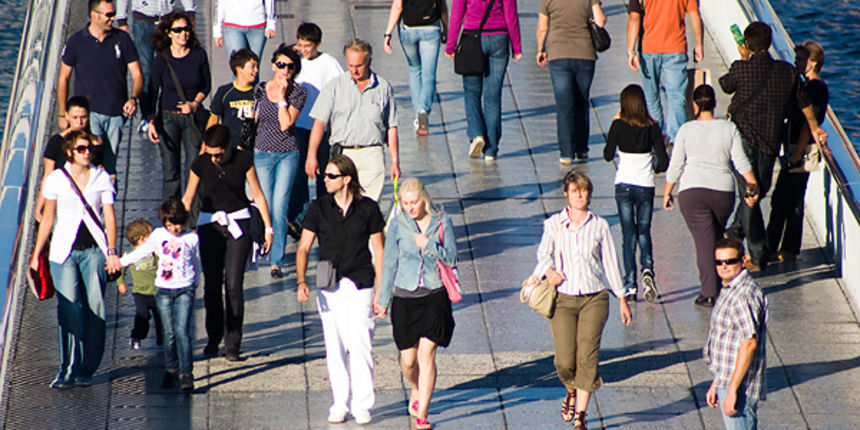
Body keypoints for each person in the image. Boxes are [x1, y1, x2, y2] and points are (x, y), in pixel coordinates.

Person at [719, 22, 827, 271]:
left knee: (751, 194)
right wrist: (814, 127)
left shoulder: (742, 69)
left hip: (741, 140)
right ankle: (748, 246)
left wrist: (743, 59)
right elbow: (805, 104)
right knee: (757, 192)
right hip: (769, 142)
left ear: (747, 44)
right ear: (769, 43)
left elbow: (726, 85)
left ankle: (739, 240)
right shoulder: (787, 72)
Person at [532, 170, 632, 429]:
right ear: (566, 194)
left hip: (594, 298)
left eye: (584, 190)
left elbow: (611, 263)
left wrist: (621, 298)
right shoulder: (553, 223)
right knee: (564, 361)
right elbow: (543, 254)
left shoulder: (599, 225)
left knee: (587, 356)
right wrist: (549, 271)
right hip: (563, 299)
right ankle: (571, 389)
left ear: (589, 193)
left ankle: (581, 416)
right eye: (574, 190)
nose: (579, 195)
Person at [296, 155, 385, 425]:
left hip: (360, 282)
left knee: (360, 343)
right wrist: (301, 281)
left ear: (347, 179)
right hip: (329, 284)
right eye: (326, 175)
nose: (325, 179)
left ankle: (362, 404)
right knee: (333, 345)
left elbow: (379, 251)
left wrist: (381, 291)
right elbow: (303, 247)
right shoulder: (318, 208)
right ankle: (339, 403)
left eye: (331, 176)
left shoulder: (368, 209)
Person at [30, 130, 122, 389]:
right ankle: (67, 368)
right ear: (70, 152)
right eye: (81, 149)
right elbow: (48, 219)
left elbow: (110, 217)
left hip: (94, 251)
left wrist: (112, 251)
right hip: (64, 252)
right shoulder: (57, 179)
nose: (87, 152)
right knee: (70, 308)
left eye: (89, 149)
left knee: (95, 309)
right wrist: (37, 255)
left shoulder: (101, 177)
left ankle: (87, 368)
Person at [181, 125, 274, 361]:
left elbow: (257, 194)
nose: (214, 159)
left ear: (228, 147)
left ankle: (233, 343)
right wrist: (177, 225)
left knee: (233, 284)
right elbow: (189, 197)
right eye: (210, 154)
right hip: (210, 223)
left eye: (218, 154)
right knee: (211, 284)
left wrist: (268, 228)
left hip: (238, 223)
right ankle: (213, 337)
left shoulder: (244, 159)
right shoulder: (200, 164)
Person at [663, 85, 758, 307]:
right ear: (714, 103)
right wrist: (752, 184)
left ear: (695, 104)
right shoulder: (729, 128)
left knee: (704, 244)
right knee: (713, 239)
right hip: (723, 193)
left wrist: (667, 191)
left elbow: (676, 165)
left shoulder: (686, 130)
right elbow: (740, 161)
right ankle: (723, 283)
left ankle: (710, 292)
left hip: (692, 192)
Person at [376, 177, 457, 430]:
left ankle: (423, 414)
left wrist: (429, 245)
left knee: (426, 356)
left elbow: (452, 258)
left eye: (414, 202)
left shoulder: (442, 222)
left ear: (424, 200)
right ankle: (415, 387)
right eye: (406, 203)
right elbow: (389, 263)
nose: (410, 208)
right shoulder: (398, 224)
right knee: (408, 361)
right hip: (404, 297)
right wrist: (382, 300)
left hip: (434, 295)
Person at [119, 198, 201, 393]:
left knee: (182, 331)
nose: (174, 229)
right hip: (163, 289)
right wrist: (120, 263)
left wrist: (196, 281)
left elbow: (196, 262)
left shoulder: (191, 238)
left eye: (178, 224)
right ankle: (171, 369)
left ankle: (186, 373)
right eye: (170, 225)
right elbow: (140, 252)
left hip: (185, 288)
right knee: (169, 333)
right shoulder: (157, 235)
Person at [306, 39, 400, 202]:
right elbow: (319, 123)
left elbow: (391, 126)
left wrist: (395, 160)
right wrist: (311, 155)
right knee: (342, 204)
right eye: (350, 66)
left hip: (372, 154)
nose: (354, 71)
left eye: (359, 66)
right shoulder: (334, 86)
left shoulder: (383, 87)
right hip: (343, 153)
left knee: (367, 207)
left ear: (369, 61)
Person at [58, 0, 143, 174]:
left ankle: (108, 200)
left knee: (110, 165)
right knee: (91, 160)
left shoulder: (122, 39)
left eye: (114, 14)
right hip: (89, 114)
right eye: (109, 15)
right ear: (94, 15)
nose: (114, 19)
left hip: (116, 113)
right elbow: (63, 78)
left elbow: (137, 74)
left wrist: (133, 98)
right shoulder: (76, 41)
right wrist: (62, 113)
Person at [603, 84, 668, 303]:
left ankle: (630, 286)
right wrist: (653, 166)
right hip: (645, 185)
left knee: (628, 234)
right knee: (644, 231)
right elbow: (664, 162)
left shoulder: (619, 126)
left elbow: (607, 154)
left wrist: (614, 124)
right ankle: (647, 271)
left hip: (624, 185)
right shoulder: (653, 127)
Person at [766, 41, 829, 263]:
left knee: (786, 199)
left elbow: (807, 124)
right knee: (788, 198)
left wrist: (796, 154)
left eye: (801, 60)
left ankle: (778, 248)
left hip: (800, 150)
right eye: (796, 60)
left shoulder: (815, 88)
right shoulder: (804, 85)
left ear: (814, 63)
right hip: (794, 147)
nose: (797, 64)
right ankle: (784, 247)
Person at [252, 44, 307, 278]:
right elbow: (254, 119)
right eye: (281, 65)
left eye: (290, 66)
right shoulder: (260, 89)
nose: (285, 70)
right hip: (262, 152)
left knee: (279, 206)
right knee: (263, 204)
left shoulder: (298, 92)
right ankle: (262, 245)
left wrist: (282, 97)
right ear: (274, 65)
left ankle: (277, 260)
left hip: (286, 153)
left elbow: (286, 124)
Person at [146, 11, 211, 203]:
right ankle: (172, 218)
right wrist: (150, 121)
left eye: (186, 29)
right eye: (178, 30)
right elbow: (153, 91)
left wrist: (194, 103)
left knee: (194, 169)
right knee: (171, 172)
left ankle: (194, 221)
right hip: (168, 118)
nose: (183, 33)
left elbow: (206, 85)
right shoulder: (162, 59)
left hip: (192, 118)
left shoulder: (199, 55)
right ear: (168, 33)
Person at [446, 0, 522, 161]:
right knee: (493, 96)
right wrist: (516, 46)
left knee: (471, 92)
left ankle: (476, 134)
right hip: (500, 38)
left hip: (472, 37)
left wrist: (451, 44)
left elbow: (457, 13)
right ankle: (491, 149)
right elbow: (511, 14)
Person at [704, 238, 768, 430]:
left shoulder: (743, 295)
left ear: (743, 260)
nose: (724, 266)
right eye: (719, 262)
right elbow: (727, 341)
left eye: (730, 261)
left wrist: (732, 390)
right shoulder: (730, 289)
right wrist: (717, 382)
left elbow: (749, 343)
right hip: (728, 380)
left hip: (740, 386)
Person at [289, 22, 344, 237]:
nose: (303, 49)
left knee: (323, 174)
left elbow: (339, 90)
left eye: (308, 45)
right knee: (299, 175)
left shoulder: (329, 64)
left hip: (320, 127)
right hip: (298, 126)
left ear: (318, 44)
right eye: (300, 44)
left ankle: (324, 216)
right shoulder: (295, 62)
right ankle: (299, 218)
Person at [536, 0, 606, 163]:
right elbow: (600, 20)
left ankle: (566, 153)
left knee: (564, 106)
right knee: (582, 101)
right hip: (585, 54)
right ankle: (582, 148)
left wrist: (540, 49)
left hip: (558, 54)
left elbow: (542, 28)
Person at [626, 0, 702, 144]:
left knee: (652, 99)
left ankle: (656, 139)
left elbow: (634, 17)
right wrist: (699, 44)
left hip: (648, 48)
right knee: (677, 98)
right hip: (676, 47)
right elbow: (695, 14)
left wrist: (631, 51)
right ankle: (677, 142)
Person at [116, 0, 195, 133]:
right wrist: (122, 20)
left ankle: (173, 111)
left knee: (171, 67)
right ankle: (147, 115)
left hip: (167, 18)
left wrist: (190, 10)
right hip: (143, 18)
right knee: (145, 70)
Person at [37, 96, 112, 222]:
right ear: (67, 116)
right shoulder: (56, 142)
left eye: (83, 117)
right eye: (75, 117)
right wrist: (39, 207)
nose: (79, 122)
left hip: (87, 201)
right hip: (61, 199)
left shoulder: (96, 143)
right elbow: (48, 175)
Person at [383, 0, 449, 136]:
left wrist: (388, 34)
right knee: (429, 74)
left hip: (409, 28)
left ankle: (418, 112)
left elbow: (397, 6)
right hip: (431, 28)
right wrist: (446, 28)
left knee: (414, 69)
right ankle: (423, 110)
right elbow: (442, 6)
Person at [117, 219, 163, 350]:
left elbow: (162, 262)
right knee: (143, 315)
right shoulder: (130, 254)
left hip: (157, 290)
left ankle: (163, 340)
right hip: (140, 292)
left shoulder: (154, 252)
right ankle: (137, 336)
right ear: (142, 239)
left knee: (161, 317)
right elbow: (121, 268)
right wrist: (121, 283)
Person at [207, 48, 260, 149]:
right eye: (252, 67)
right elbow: (213, 119)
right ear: (239, 68)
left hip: (254, 148)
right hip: (230, 147)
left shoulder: (259, 92)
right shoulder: (224, 92)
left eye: (257, 67)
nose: (256, 70)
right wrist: (206, 145)